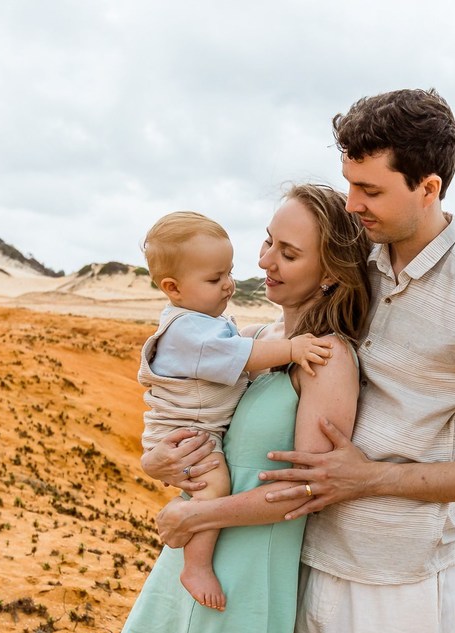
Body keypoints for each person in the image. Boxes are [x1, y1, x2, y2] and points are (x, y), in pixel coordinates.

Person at [158, 88, 455, 633]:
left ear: (428, 188)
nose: (354, 204)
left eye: (369, 188)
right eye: (348, 185)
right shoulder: (357, 258)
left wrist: (372, 479)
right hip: (305, 554)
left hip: (397, 571)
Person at [82, 184, 372, 633]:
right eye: (268, 241)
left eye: (288, 253)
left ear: (330, 272)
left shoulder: (329, 361)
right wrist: (158, 461)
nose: (264, 260)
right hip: (191, 558)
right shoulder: (252, 339)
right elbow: (197, 425)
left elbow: (302, 493)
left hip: (241, 579)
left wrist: (197, 515)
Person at [138, 210, 333, 611]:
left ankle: (194, 537)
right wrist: (294, 349)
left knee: (207, 488)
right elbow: (243, 355)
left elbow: (309, 484)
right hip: (188, 434)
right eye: (215, 279)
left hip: (248, 539)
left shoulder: (212, 325)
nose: (230, 284)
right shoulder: (199, 331)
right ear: (173, 288)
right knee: (213, 483)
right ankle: (196, 565)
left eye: (289, 253)